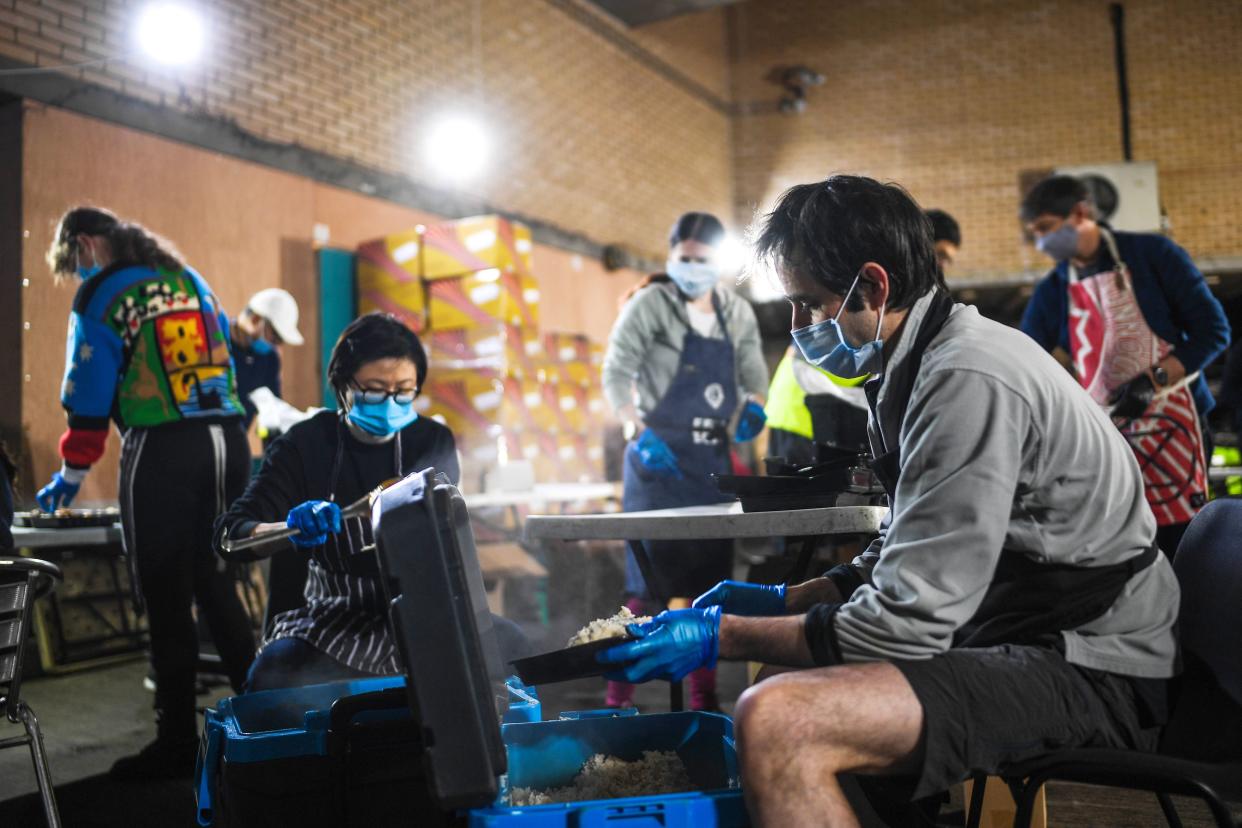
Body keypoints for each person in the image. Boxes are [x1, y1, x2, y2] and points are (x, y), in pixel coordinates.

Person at [598, 176, 1180, 827]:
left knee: (778, 718)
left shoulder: (965, 378)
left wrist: (719, 635)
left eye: (808, 303)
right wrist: (787, 600)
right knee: (773, 684)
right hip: (1018, 630)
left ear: (872, 287)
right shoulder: (914, 369)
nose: (797, 328)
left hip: (1090, 662)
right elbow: (907, 547)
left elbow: (905, 623)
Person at [38, 207, 255, 778]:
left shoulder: (103, 293)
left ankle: (177, 743)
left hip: (164, 446)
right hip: (229, 440)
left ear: (85, 245)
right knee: (214, 581)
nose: (77, 274)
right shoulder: (188, 277)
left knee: (164, 591)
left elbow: (88, 388)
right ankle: (264, 721)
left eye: (73, 263)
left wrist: (72, 472)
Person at [215, 313, 529, 691]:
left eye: (404, 391)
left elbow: (440, 532)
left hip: (418, 608)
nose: (391, 402)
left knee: (515, 653)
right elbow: (232, 535)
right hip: (331, 617)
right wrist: (291, 528)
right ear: (343, 385)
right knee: (272, 679)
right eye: (376, 390)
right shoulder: (304, 445)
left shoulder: (431, 442)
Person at [601, 212, 770, 711]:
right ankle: (616, 700)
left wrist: (754, 406)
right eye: (685, 258)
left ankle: (705, 701)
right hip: (657, 460)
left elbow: (753, 369)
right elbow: (616, 372)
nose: (694, 267)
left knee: (708, 590)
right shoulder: (652, 305)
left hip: (710, 464)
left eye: (704, 259)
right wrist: (637, 428)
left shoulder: (734, 311)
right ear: (673, 256)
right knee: (647, 588)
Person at [1019, 175, 1229, 558]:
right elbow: (1024, 357)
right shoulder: (1053, 291)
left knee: (1183, 544)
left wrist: (1152, 382)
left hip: (1176, 429)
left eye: (1047, 229)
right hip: (1106, 435)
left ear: (1080, 212)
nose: (1042, 243)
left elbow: (1213, 331)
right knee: (1123, 544)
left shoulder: (1154, 255)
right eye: (1035, 234)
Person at [230, 288, 304, 430]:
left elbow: (274, 409)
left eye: (280, 341)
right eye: (275, 336)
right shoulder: (218, 345)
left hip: (236, 442)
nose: (275, 345)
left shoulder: (268, 359)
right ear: (256, 319)